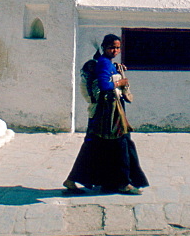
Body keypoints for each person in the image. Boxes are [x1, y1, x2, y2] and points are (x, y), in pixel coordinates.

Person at [63, 34, 149, 195]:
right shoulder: (103, 63)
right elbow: (104, 85)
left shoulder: (106, 63)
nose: (115, 50)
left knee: (95, 146)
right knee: (122, 144)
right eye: (111, 47)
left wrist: (115, 70)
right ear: (103, 47)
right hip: (109, 112)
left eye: (117, 47)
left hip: (106, 111)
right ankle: (123, 183)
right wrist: (120, 82)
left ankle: (73, 180)